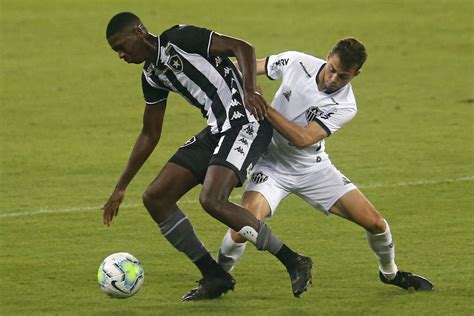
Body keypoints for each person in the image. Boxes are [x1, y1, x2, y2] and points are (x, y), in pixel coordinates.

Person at [102, 12, 313, 301]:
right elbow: (150, 134)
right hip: (217, 129)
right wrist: (121, 186)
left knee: (212, 200)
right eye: (116, 51)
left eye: (121, 46)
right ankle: (214, 275)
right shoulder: (151, 76)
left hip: (247, 122)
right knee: (156, 197)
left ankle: (294, 260)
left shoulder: (180, 38)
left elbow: (243, 48)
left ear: (138, 32)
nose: (121, 55)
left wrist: (249, 89)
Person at [217, 39, 433, 292]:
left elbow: (302, 139)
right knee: (242, 226)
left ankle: (390, 273)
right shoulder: (297, 62)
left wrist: (261, 104)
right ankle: (218, 276)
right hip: (270, 165)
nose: (333, 79)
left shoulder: (345, 105)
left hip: (313, 170)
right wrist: (214, 71)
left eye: (343, 77)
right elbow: (250, 66)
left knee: (375, 223)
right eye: (332, 69)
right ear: (328, 56)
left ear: (356, 75)